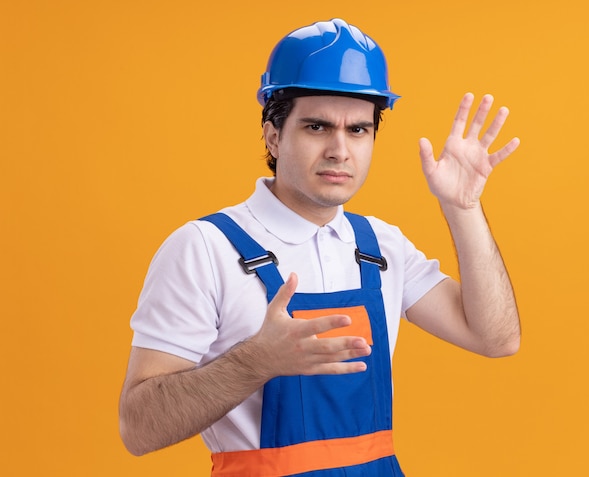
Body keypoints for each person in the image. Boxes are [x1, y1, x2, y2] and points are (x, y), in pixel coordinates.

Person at [119, 18, 521, 476]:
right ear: (273, 134)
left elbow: (496, 338)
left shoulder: (380, 245)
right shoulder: (203, 248)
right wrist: (257, 362)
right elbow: (138, 428)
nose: (339, 150)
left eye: (358, 130)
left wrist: (463, 208)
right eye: (316, 126)